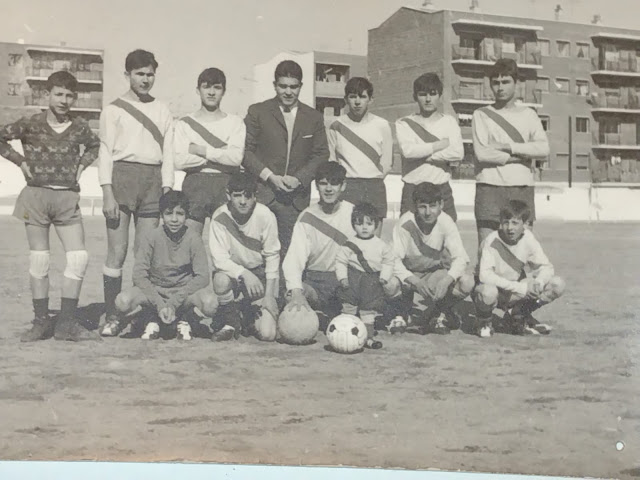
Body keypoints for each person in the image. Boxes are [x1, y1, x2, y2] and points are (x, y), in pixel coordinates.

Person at [0, 71, 100, 342]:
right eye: (58, 94)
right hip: (36, 197)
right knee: (40, 259)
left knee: (79, 258)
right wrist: (20, 161)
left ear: (75, 98)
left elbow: (94, 146)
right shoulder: (30, 123)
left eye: (69, 95)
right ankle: (41, 322)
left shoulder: (79, 126)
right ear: (47, 95)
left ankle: (66, 323)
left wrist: (81, 166)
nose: (64, 100)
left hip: (67, 197)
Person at [98, 49, 175, 337]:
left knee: (145, 254)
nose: (145, 79)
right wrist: (107, 192)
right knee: (116, 252)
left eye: (150, 74)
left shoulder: (163, 109)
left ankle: (142, 314)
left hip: (152, 180)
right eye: (139, 73)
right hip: (121, 178)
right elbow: (105, 152)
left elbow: (168, 152)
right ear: (127, 74)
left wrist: (167, 186)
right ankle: (112, 314)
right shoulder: (113, 109)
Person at [243, 60, 329, 252]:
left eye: (293, 86)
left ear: (301, 86)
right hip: (263, 195)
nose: (288, 92)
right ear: (275, 85)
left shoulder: (314, 117)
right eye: (283, 86)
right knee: (258, 253)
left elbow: (322, 154)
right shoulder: (258, 112)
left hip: (295, 199)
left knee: (290, 255)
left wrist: (299, 179)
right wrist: (269, 176)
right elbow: (245, 151)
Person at [114, 191, 215, 340]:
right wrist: (160, 304)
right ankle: (150, 316)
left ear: (186, 215)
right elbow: (139, 275)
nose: (174, 219)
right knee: (122, 302)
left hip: (182, 294)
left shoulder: (194, 238)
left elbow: (203, 277)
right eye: (169, 214)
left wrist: (174, 303)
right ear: (161, 215)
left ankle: (185, 317)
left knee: (210, 303)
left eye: (180, 214)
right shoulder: (151, 236)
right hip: (156, 292)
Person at [472, 58, 549, 249]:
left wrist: (508, 147)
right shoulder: (481, 114)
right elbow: (482, 154)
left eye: (505, 82)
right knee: (486, 246)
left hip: (521, 186)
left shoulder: (529, 114)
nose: (500, 88)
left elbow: (543, 149)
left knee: (523, 247)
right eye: (496, 83)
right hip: (489, 186)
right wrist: (523, 156)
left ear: (516, 83)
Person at [473, 200, 565, 338]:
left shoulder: (528, 238)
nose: (510, 228)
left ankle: (518, 315)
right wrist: (521, 288)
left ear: (525, 224)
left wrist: (538, 283)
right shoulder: (491, 241)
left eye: (515, 223)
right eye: (506, 222)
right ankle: (484, 321)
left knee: (557, 284)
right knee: (488, 292)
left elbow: (546, 267)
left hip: (513, 291)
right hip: (494, 291)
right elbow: (485, 276)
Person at [392, 182, 475, 334]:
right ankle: (401, 313)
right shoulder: (405, 223)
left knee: (466, 282)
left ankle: (439, 312)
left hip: (433, 274)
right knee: (390, 284)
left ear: (441, 204)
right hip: (409, 275)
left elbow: (461, 258)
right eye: (423, 206)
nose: (428, 212)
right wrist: (414, 280)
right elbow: (393, 260)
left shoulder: (446, 222)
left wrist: (447, 279)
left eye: (433, 206)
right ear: (415, 206)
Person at [208, 172, 280, 341]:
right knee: (220, 280)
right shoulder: (219, 217)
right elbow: (219, 260)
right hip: (236, 277)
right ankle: (231, 323)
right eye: (237, 195)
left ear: (255, 196)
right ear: (228, 195)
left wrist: (269, 296)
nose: (242, 201)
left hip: (260, 274)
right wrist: (244, 274)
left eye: (248, 196)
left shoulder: (265, 215)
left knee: (268, 334)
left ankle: (246, 314)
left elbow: (272, 256)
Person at [174, 67, 245, 236]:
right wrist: (220, 154)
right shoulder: (184, 123)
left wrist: (200, 150)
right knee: (189, 242)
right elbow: (179, 160)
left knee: (225, 244)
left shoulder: (235, 122)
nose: (211, 92)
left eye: (217, 87)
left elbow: (235, 158)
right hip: (194, 183)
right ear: (198, 90)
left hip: (225, 183)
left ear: (224, 91)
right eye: (206, 87)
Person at [282, 162, 354, 329]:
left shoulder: (353, 214)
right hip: (315, 282)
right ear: (316, 186)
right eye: (323, 183)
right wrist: (297, 292)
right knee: (291, 296)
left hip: (342, 282)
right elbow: (294, 258)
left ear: (343, 186)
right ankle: (320, 314)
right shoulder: (307, 216)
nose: (328, 189)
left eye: (334, 183)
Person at [335, 202, 405, 349]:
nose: (364, 227)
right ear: (353, 225)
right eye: (359, 223)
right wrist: (343, 278)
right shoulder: (349, 244)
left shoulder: (381, 245)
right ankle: (344, 335)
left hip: (371, 281)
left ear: (376, 224)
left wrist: (384, 277)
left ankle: (368, 337)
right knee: (348, 308)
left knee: (368, 312)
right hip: (353, 279)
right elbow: (340, 261)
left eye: (369, 223)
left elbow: (388, 262)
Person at [396, 73, 464, 218]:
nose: (428, 99)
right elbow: (408, 152)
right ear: (415, 97)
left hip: (441, 188)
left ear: (440, 96)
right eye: (422, 94)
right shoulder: (404, 123)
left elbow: (457, 153)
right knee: (409, 236)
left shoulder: (449, 122)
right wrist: (439, 145)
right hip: (412, 188)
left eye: (433, 94)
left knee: (446, 234)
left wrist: (423, 155)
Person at [328, 77, 393, 228]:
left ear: (371, 99)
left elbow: (387, 161)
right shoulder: (336, 125)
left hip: (374, 186)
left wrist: (373, 179)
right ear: (345, 99)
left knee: (373, 241)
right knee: (346, 238)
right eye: (352, 97)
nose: (357, 102)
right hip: (348, 187)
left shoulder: (382, 125)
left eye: (362, 97)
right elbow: (332, 160)